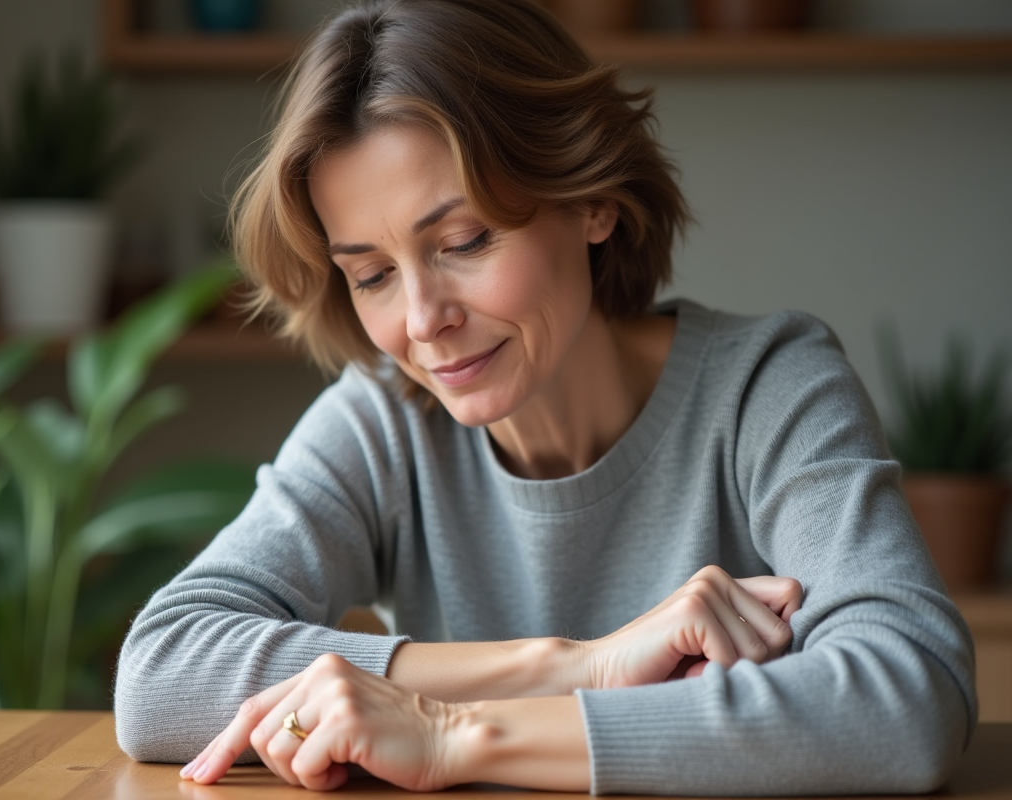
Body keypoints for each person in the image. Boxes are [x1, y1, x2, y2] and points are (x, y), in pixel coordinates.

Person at [113, 0, 975, 794]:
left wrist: (457, 737)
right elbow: (161, 673)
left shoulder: (768, 385)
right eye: (371, 275)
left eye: (465, 239)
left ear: (591, 197)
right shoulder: (382, 419)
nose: (422, 321)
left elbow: (909, 695)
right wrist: (576, 665)